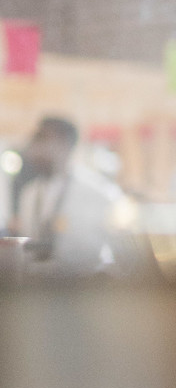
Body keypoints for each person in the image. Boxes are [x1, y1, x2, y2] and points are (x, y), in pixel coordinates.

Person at [8, 115, 122, 271]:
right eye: (35, 139)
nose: (35, 147)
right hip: (37, 285)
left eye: (43, 139)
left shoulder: (95, 191)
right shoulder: (29, 192)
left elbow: (115, 247)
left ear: (65, 144)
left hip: (84, 285)